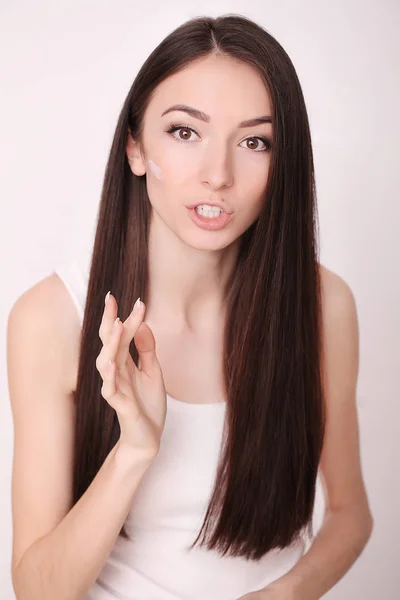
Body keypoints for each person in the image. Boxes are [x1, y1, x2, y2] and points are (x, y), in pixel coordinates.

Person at [7, 13, 373, 600]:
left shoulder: (323, 306)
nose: (217, 175)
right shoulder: (52, 321)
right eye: (185, 132)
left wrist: (283, 594)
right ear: (135, 146)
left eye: (255, 141)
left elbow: (351, 514)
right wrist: (135, 449)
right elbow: (38, 590)